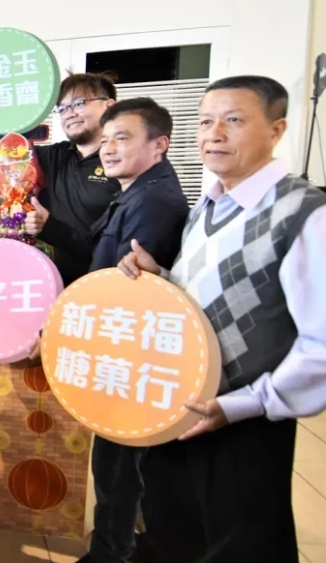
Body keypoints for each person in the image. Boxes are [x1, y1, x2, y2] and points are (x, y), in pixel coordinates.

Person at [118, 76, 326, 563]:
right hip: (185, 402)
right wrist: (161, 276)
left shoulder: (304, 213)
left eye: (233, 120)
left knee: (241, 542)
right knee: (171, 529)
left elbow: (320, 343)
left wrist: (242, 406)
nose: (214, 134)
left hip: (245, 418)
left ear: (276, 130)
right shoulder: (208, 205)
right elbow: (211, 296)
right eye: (205, 121)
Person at [38, 98, 189, 563]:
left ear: (159, 145)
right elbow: (100, 254)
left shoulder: (154, 201)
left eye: (122, 138)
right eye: (106, 140)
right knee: (119, 464)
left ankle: (112, 553)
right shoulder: (138, 192)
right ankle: (120, 543)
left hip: (129, 353)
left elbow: (131, 291)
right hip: (121, 348)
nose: (108, 149)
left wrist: (65, 331)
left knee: (122, 465)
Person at [0, 72, 121, 286]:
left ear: (109, 106)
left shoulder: (123, 162)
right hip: (53, 284)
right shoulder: (56, 156)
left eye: (79, 103)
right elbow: (6, 151)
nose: (69, 114)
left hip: (106, 286)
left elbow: (117, 244)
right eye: (62, 108)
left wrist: (49, 226)